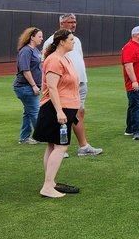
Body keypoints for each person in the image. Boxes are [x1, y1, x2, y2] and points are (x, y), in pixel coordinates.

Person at [42, 13, 102, 156]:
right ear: (62, 24)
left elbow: (78, 59)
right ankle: (60, 147)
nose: (73, 24)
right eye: (70, 22)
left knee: (79, 113)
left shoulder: (76, 40)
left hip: (80, 82)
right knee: (63, 116)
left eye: (75, 21)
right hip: (64, 85)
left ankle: (83, 146)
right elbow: (47, 63)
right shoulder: (52, 41)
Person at [32, 29, 81, 198]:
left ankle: (50, 182)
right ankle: (47, 187)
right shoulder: (54, 60)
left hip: (64, 107)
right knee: (61, 146)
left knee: (53, 145)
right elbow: (52, 87)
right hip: (56, 108)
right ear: (62, 41)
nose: (73, 42)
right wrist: (60, 111)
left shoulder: (64, 59)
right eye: (71, 39)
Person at [14, 27, 43, 144]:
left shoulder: (35, 50)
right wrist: (34, 85)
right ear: (32, 37)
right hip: (25, 87)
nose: (42, 38)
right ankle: (43, 135)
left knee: (28, 113)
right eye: (39, 36)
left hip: (30, 87)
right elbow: (25, 70)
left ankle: (24, 138)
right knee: (36, 112)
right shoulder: (26, 51)